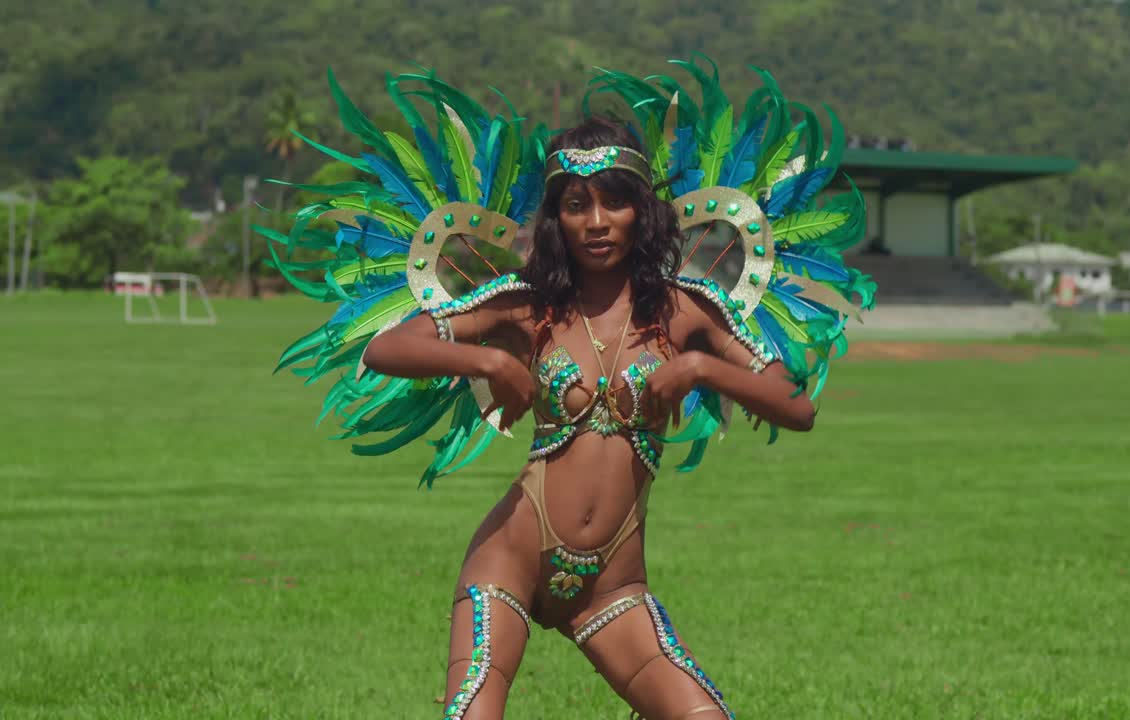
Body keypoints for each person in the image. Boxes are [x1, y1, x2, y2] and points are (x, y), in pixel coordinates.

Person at [265, 59, 876, 719]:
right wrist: (490, 365)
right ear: (556, 218)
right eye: (575, 204)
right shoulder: (529, 304)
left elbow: (796, 406)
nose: (596, 220)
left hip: (612, 585)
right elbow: (388, 347)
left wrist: (702, 369)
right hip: (511, 559)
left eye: (614, 200)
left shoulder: (687, 308)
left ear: (642, 211)